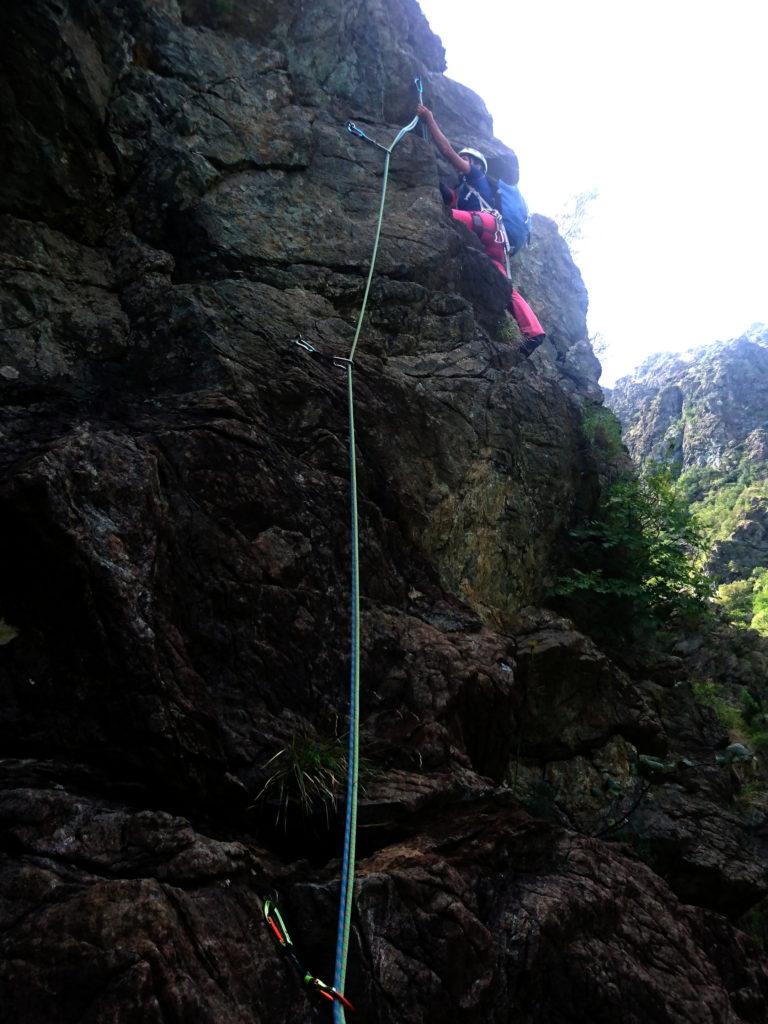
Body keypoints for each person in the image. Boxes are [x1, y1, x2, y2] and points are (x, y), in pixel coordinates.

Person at [416, 103, 545, 354]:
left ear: (475, 162)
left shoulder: (476, 177)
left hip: (489, 227)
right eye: (464, 158)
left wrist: (429, 120)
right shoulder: (464, 192)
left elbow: (447, 151)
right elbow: (446, 194)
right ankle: (534, 332)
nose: (461, 161)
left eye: (466, 158)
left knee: (446, 217)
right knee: (504, 287)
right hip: (493, 247)